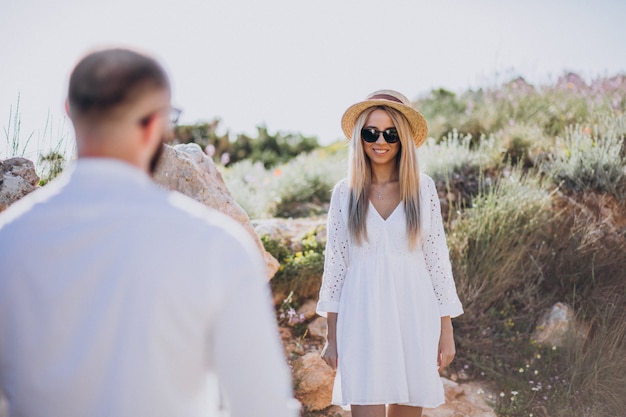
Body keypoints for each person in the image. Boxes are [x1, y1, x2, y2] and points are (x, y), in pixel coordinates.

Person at [0, 48, 299, 417]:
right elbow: (262, 406)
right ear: (156, 121)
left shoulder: (10, 240)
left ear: (69, 110)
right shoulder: (214, 244)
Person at [317, 90, 464, 417]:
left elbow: (437, 261)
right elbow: (336, 265)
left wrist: (446, 331)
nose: (379, 141)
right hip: (360, 317)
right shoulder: (345, 193)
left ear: (404, 139)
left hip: (414, 313)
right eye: (370, 132)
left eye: (390, 133)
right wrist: (331, 335)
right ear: (360, 137)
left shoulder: (422, 188)